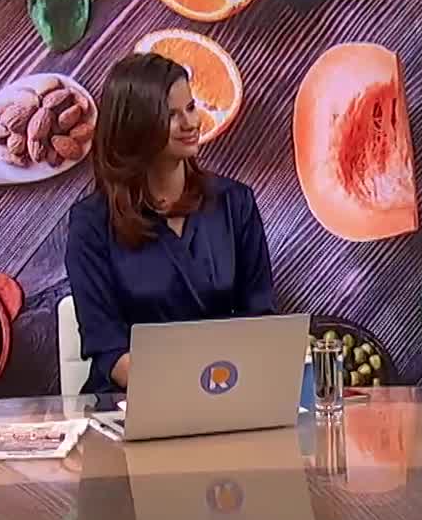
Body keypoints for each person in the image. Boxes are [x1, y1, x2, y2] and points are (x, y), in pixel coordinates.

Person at [65, 53, 275, 394]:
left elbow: (261, 322)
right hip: (131, 403)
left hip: (225, 396)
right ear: (135, 127)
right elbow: (109, 350)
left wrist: (220, 395)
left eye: (190, 108)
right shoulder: (90, 224)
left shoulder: (235, 202)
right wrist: (189, 395)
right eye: (172, 115)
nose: (190, 123)